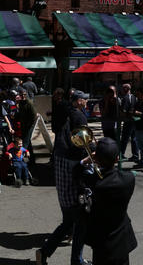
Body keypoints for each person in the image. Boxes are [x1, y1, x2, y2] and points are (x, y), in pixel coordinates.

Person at [37, 90, 89, 265]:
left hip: (61, 162)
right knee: (78, 222)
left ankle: (44, 252)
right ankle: (76, 260)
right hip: (71, 165)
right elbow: (82, 144)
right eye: (85, 100)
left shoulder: (64, 112)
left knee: (69, 221)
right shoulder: (79, 117)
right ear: (79, 101)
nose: (87, 102)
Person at [80, 137, 137, 265]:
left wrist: (86, 161)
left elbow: (76, 173)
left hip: (101, 240)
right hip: (122, 238)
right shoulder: (129, 178)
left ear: (97, 159)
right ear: (117, 159)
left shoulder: (94, 182)